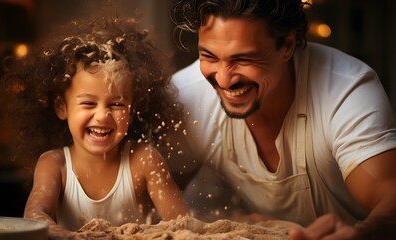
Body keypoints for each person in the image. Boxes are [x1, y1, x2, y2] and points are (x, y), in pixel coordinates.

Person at [169, 0, 396, 239]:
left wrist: (361, 235)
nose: (225, 80)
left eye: (244, 59)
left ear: (287, 44)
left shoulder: (346, 89)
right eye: (209, 56)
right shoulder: (186, 97)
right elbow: (146, 197)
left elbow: (389, 195)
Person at [0, 14, 188, 238]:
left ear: (132, 110)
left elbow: (182, 225)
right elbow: (35, 214)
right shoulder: (54, 165)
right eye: (88, 103)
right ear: (61, 107)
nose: (102, 116)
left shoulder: (144, 161)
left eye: (116, 104)